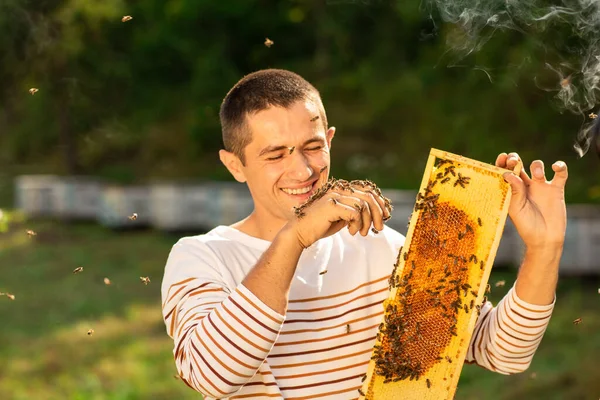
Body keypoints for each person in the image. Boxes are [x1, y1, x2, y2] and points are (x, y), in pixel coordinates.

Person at [161, 69, 568, 399]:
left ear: (331, 140)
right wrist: (294, 238)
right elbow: (213, 375)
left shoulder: (380, 245)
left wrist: (544, 247)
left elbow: (501, 351)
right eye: (276, 154)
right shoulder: (201, 257)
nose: (303, 170)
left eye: (312, 147)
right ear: (234, 165)